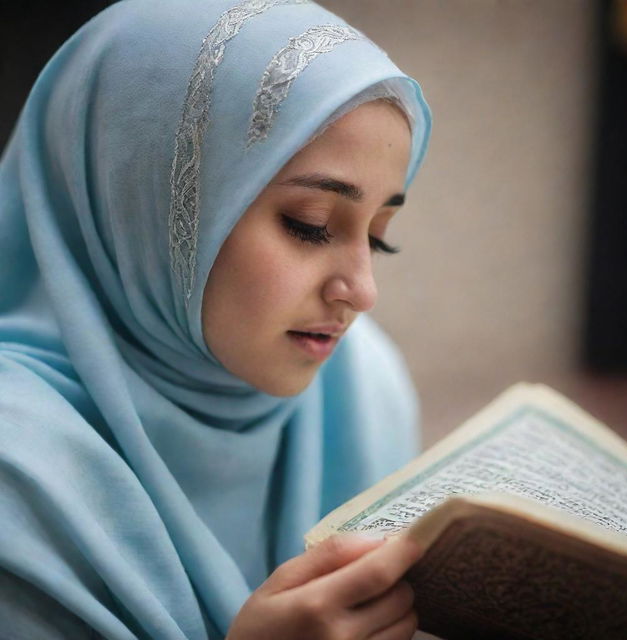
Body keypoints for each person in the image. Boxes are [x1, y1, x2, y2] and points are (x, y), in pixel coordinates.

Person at [0, 0, 431, 637]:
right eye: (308, 225)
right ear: (137, 204)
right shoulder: (18, 466)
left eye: (379, 236)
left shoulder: (364, 387)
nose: (361, 292)